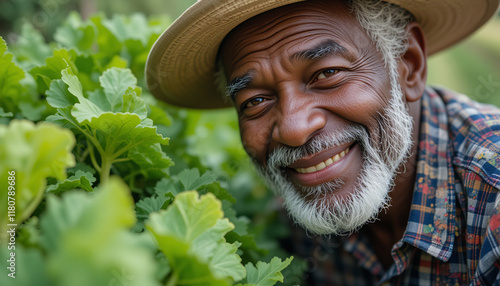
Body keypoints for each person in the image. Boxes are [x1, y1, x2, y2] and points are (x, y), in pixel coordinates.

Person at [146, 0, 500, 284]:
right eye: (255, 101)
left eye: (327, 73)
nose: (295, 129)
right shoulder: (291, 225)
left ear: (409, 66)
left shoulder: (492, 194)